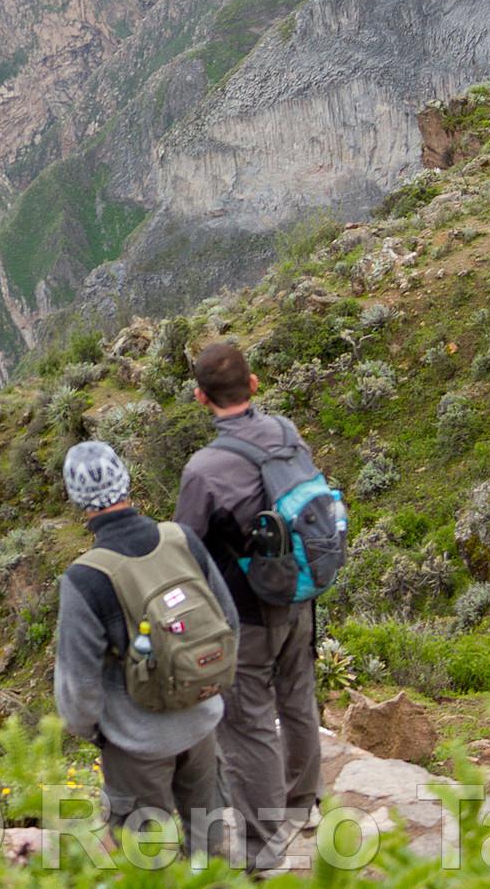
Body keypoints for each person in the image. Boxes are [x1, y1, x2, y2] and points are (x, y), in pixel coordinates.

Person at [175, 341, 324, 872]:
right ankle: (304, 806)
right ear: (255, 384)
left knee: (250, 724)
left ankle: (263, 853)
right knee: (298, 697)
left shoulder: (203, 469)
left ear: (200, 397)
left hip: (245, 612)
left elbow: (185, 548)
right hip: (301, 595)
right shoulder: (286, 433)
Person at [55, 440, 237, 862]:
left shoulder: (85, 578)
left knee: (146, 856)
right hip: (203, 720)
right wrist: (209, 684)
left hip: (136, 743)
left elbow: (77, 685)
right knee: (208, 842)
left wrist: (99, 733)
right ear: (125, 481)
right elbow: (229, 620)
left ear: (77, 499)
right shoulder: (182, 539)